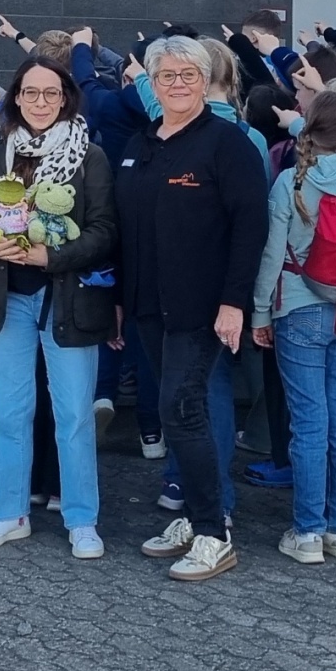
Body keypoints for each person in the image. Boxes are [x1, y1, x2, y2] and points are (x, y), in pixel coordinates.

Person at [117, 35, 268, 582]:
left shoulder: (227, 144)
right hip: (146, 307)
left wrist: (234, 302)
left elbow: (251, 227)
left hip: (202, 308)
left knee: (183, 411)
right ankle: (194, 519)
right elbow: (127, 228)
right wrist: (120, 301)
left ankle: (212, 531)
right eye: (167, 76)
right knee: (175, 410)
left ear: (205, 82)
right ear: (151, 83)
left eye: (187, 75)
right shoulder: (141, 143)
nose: (177, 84)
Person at [0, 55, 117, 558]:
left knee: (73, 413)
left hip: (67, 300)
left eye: (51, 93)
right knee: (7, 412)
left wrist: (52, 254)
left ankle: (82, 519)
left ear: (67, 97)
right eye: (31, 93)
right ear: (16, 98)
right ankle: (8, 512)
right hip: (7, 299)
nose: (41, 102)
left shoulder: (89, 156)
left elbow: (105, 232)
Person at [251, 89, 336, 564]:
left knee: (309, 424)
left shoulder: (292, 182)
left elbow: (272, 255)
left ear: (309, 130)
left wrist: (259, 313)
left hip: (299, 310)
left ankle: (308, 533)